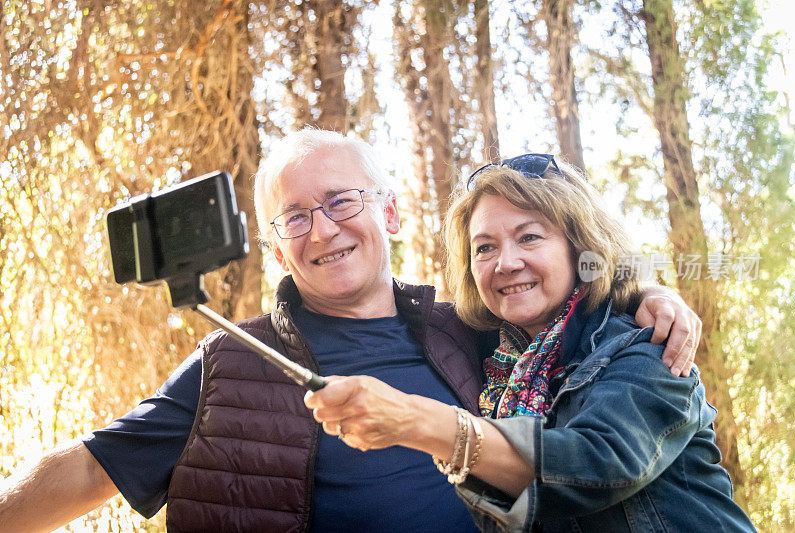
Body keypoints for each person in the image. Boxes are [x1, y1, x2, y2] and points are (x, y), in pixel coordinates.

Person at [0, 131, 700, 532]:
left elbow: (557, 305)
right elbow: (94, 466)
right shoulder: (233, 359)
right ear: (278, 249)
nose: (323, 228)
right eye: (295, 216)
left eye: (340, 201)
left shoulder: (471, 329)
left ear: (390, 214)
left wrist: (644, 289)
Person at [305, 155, 755, 531]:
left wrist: (419, 422)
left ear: (581, 248)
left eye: (529, 237)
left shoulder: (648, 346)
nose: (506, 262)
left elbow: (595, 463)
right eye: (484, 248)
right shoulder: (490, 355)